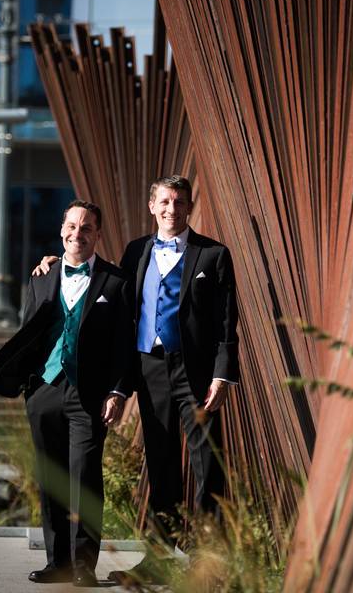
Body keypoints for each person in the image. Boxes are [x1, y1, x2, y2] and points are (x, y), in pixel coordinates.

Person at [34, 175, 239, 574]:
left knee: (206, 463)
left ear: (188, 206)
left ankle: (208, 557)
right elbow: (105, 285)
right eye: (164, 201)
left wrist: (223, 374)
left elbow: (227, 321)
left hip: (197, 372)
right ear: (152, 206)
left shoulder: (213, 255)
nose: (172, 209)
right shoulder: (136, 252)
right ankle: (161, 557)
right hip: (149, 368)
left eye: (179, 202)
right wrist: (56, 261)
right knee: (160, 460)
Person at [0, 200, 137, 587]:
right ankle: (58, 562)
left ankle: (84, 565)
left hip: (90, 395)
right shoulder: (41, 278)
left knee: (84, 478)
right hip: (44, 390)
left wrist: (118, 392)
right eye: (72, 226)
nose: (78, 234)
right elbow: (28, 336)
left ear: (98, 235)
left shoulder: (115, 283)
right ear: (61, 230)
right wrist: (27, 387)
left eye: (86, 228)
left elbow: (124, 346)